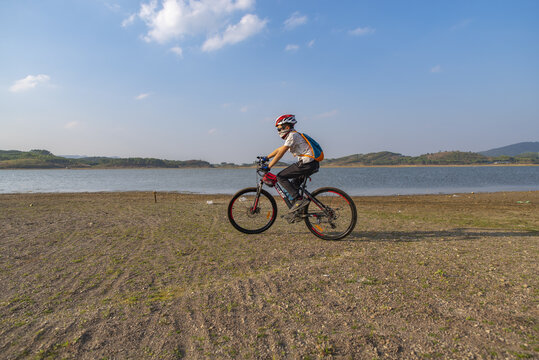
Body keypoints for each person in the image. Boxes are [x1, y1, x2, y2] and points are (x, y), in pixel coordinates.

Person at [263, 114, 321, 212]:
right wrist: (266, 157)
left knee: (280, 177)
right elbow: (279, 149)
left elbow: (281, 152)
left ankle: (299, 201)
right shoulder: (293, 135)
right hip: (311, 164)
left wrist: (269, 166)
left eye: (279, 129)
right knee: (293, 185)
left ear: (287, 127)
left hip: (306, 164)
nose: (279, 131)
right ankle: (299, 211)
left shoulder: (292, 135)